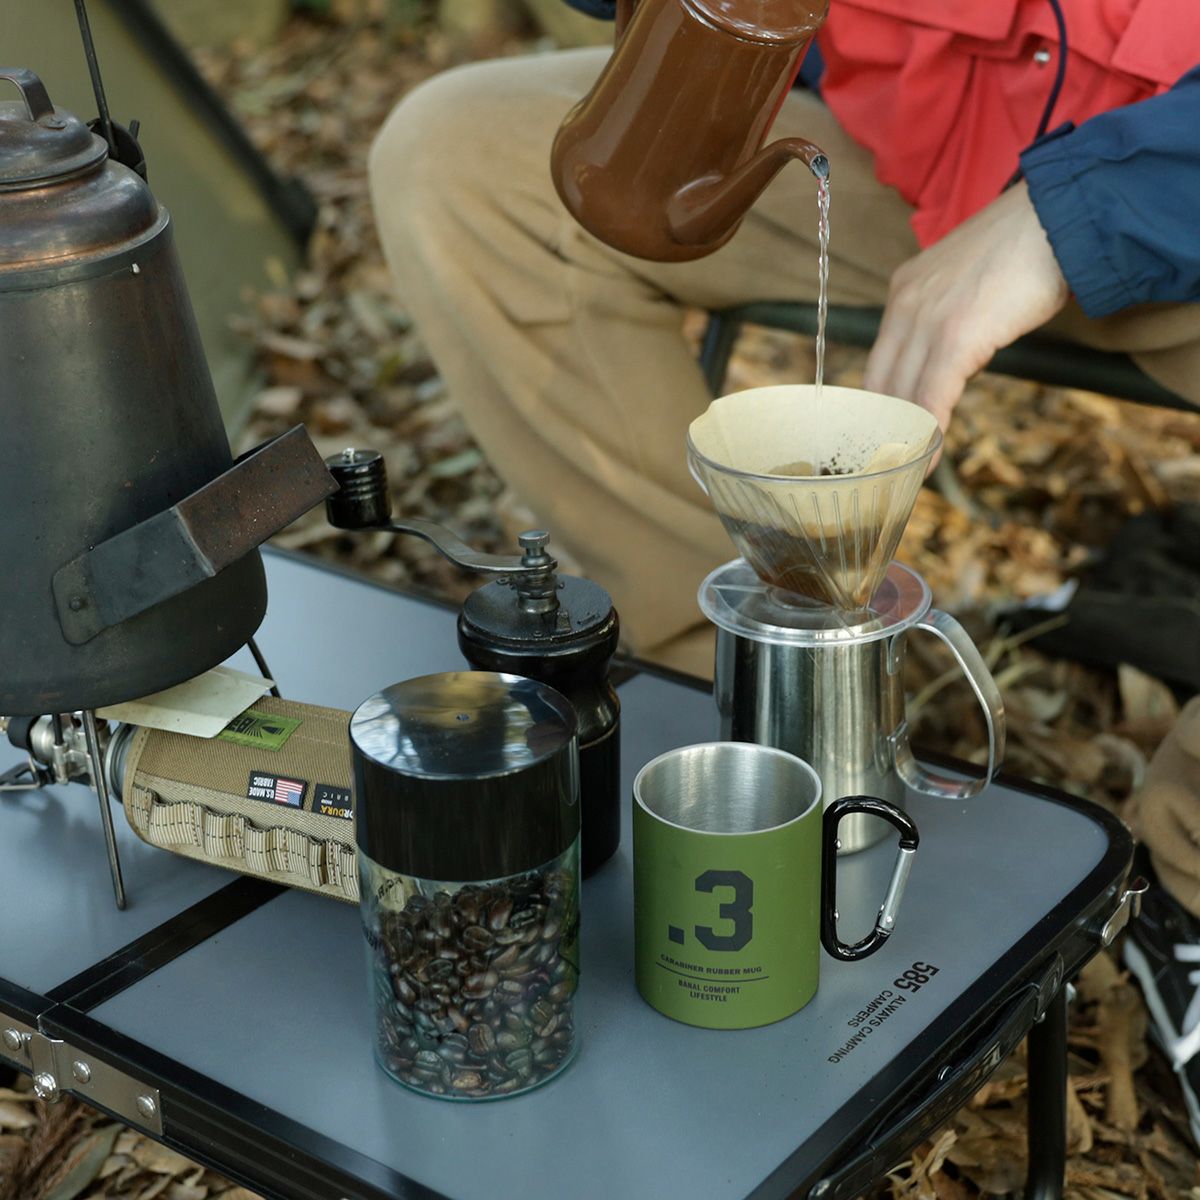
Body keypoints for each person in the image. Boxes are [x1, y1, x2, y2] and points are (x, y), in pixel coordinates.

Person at [368, 0, 1200, 1140]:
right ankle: (734, 709)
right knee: (462, 158)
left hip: (1168, 191)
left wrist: (1075, 214)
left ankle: (1190, 894)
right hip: (908, 164)